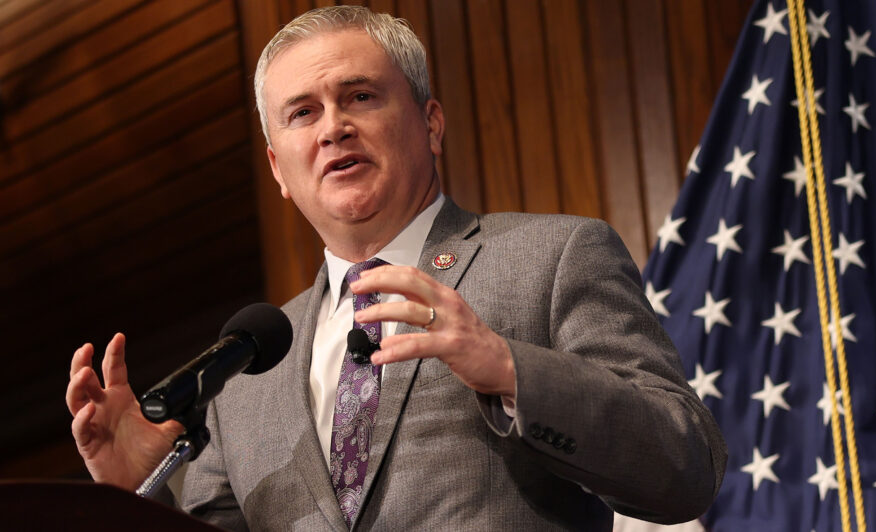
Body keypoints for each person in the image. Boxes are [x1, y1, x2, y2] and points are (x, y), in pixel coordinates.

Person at [66, 6, 726, 530]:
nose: (333, 128)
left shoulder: (553, 257)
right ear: (278, 170)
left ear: (430, 124)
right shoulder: (246, 376)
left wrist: (508, 369)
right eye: (303, 112)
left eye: (359, 96)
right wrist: (137, 496)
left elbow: (685, 464)